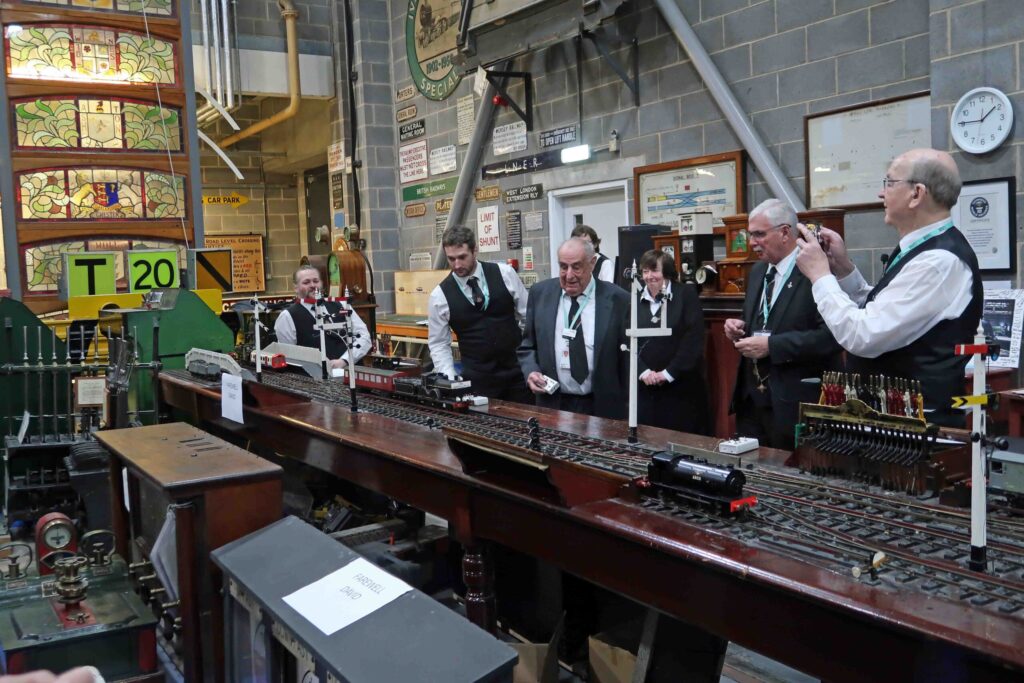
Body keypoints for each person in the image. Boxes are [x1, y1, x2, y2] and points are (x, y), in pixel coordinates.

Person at [795, 148, 982, 427]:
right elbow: (883, 312)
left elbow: (864, 335)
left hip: (915, 430)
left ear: (916, 194)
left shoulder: (938, 262)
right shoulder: (923, 249)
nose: (881, 194)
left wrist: (820, 276)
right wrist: (843, 270)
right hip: (890, 422)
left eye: (889, 183)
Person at [724, 199, 841, 449]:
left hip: (793, 403)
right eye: (750, 234)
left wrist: (772, 346)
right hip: (751, 401)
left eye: (759, 234)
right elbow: (762, 320)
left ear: (785, 232)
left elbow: (832, 338)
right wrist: (737, 328)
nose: (752, 242)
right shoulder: (758, 271)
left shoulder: (815, 270)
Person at [518, 237, 629, 419]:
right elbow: (527, 346)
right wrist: (531, 371)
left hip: (602, 408)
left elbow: (628, 360)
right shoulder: (540, 294)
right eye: (563, 266)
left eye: (576, 267)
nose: (569, 275)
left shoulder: (619, 300)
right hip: (553, 405)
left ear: (592, 263)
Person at [428, 226, 530, 402]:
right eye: (451, 259)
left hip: (518, 374)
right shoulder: (439, 296)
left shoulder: (505, 273)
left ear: (475, 250)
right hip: (478, 381)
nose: (457, 265)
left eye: (462, 257)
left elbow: (528, 317)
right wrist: (450, 378)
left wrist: (529, 358)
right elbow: (438, 343)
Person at [633, 249, 710, 434]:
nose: (649, 276)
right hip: (646, 389)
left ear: (667, 273)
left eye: (654, 270)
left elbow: (693, 338)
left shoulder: (686, 295)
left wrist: (668, 373)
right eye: (645, 271)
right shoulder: (634, 299)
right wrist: (643, 372)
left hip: (681, 388)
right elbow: (626, 341)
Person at [274, 265, 371, 370]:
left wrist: (344, 360)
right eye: (306, 282)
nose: (312, 285)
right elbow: (289, 356)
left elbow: (364, 337)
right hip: (315, 380)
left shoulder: (342, 305)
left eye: (316, 281)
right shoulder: (287, 316)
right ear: (296, 288)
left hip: (352, 373)